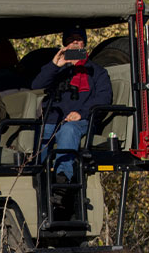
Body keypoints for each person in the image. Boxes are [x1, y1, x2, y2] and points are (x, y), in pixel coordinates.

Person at [32, 26, 112, 183]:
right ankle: (38, 175)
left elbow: (104, 98)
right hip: (53, 119)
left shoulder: (97, 71)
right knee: (40, 131)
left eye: (79, 39)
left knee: (68, 130)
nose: (75, 42)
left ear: (84, 44)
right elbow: (36, 86)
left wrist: (81, 113)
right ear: (65, 44)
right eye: (70, 39)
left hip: (82, 120)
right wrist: (55, 64)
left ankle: (63, 178)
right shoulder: (58, 69)